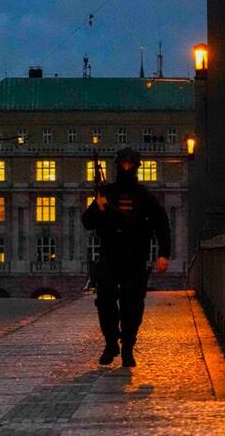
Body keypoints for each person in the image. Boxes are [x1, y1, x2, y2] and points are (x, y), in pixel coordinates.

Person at [81, 147, 170, 367]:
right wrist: (99, 209)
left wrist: (164, 254)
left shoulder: (144, 196)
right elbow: (87, 222)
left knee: (133, 305)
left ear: (136, 167)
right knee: (105, 302)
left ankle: (128, 347)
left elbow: (161, 225)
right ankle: (111, 342)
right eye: (123, 164)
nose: (126, 168)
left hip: (135, 257)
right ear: (117, 166)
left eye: (130, 165)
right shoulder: (107, 193)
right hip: (110, 256)